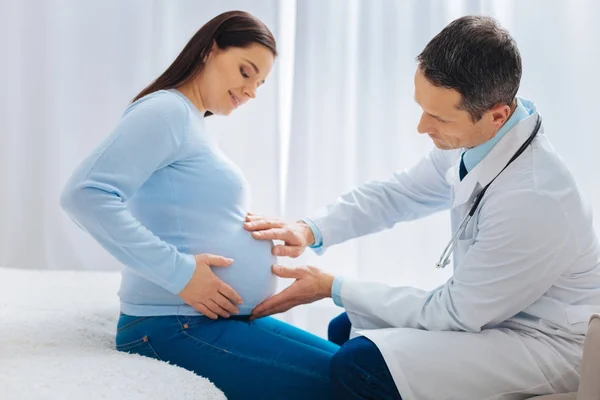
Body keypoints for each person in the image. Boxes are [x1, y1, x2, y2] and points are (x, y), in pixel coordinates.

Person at [245, 15, 600, 400]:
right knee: (344, 327)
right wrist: (311, 229)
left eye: (439, 117)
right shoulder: (479, 142)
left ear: (497, 114)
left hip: (548, 343)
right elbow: (399, 194)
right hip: (494, 317)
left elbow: (456, 312)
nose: (421, 127)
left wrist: (333, 286)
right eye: (422, 107)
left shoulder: (535, 196)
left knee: (362, 364)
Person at [60, 11, 337, 400]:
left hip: (205, 320)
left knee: (359, 367)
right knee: (355, 382)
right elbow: (84, 195)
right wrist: (181, 273)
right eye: (245, 71)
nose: (252, 91)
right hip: (171, 326)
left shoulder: (190, 121)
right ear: (210, 50)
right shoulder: (166, 111)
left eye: (259, 84)